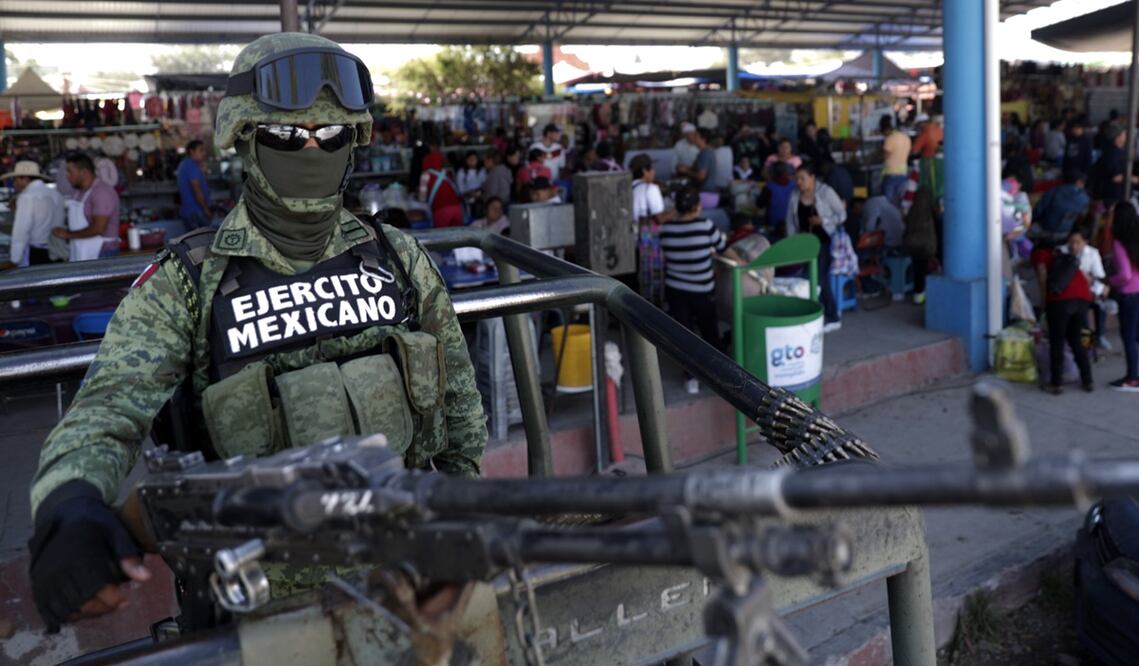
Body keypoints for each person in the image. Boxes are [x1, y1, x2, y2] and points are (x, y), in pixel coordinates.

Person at [27, 32, 487, 635]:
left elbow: (459, 410)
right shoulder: (189, 283)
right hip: (263, 612)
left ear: (355, 142)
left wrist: (459, 529)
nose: (313, 150)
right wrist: (70, 503)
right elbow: (106, 410)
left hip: (407, 584)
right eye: (288, 137)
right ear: (244, 139)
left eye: (332, 135)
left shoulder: (398, 257)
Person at [658, 188, 726, 395]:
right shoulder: (705, 226)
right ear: (698, 206)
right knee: (709, 333)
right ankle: (717, 375)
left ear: (677, 208)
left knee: (684, 335)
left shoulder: (666, 230)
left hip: (676, 290)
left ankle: (691, 378)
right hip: (702, 291)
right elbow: (722, 247)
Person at [1032, 228, 1095, 394]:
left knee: (1057, 341)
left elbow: (1042, 275)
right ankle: (1087, 380)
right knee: (1076, 340)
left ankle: (1056, 383)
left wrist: (1044, 301)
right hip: (1082, 298)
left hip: (1061, 300)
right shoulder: (1062, 255)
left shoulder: (1040, 254)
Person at [786, 164, 847, 331]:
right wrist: (791, 243)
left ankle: (822, 317)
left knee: (815, 280)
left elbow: (842, 215)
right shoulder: (794, 195)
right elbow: (790, 221)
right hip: (804, 244)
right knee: (818, 280)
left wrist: (824, 221)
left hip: (824, 243)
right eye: (797, 179)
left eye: (802, 178)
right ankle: (830, 317)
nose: (799, 182)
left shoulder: (825, 192)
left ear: (812, 177)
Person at [53, 152, 121, 261]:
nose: (67, 176)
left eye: (70, 171)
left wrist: (67, 234)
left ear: (84, 172)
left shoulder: (102, 192)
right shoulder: (78, 192)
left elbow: (98, 228)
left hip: (102, 253)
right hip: (80, 250)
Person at [0, 160, 64, 269]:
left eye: (15, 179)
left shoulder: (26, 197)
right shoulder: (56, 194)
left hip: (37, 253)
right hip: (57, 249)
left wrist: (14, 259)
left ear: (24, 178)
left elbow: (21, 231)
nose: (14, 183)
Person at [1109, 202, 1139, 391]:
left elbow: (1124, 275)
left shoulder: (1119, 244)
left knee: (1129, 336)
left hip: (1129, 294)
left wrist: (1110, 281)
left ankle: (1132, 378)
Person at [1031, 170, 1089, 243]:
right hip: (1063, 233)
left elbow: (1038, 210)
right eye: (1083, 183)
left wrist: (1031, 221)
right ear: (1078, 182)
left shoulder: (1054, 191)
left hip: (1044, 229)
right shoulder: (1085, 199)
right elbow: (1081, 216)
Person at [417, 151, 465, 227]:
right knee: (458, 233)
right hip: (457, 209)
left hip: (441, 210)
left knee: (442, 233)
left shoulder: (425, 175)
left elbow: (422, 198)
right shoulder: (447, 173)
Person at [176, 139, 212, 230]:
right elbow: (197, 190)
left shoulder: (188, 165)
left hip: (192, 212)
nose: (204, 153)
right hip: (195, 213)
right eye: (201, 150)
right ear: (192, 151)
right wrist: (206, 209)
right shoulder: (191, 165)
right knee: (204, 236)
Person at [880, 115, 911, 208]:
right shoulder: (905, 137)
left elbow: (885, 156)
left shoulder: (890, 139)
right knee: (900, 203)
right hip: (903, 173)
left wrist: (878, 155)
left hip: (891, 175)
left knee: (889, 205)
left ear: (886, 130)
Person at [630, 154, 669, 225]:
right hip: (643, 231)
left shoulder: (627, 187)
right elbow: (660, 219)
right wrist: (678, 207)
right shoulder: (651, 188)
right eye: (652, 169)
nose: (654, 172)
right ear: (644, 171)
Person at [758, 161, 796, 234]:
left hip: (772, 225)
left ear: (772, 174)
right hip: (792, 225)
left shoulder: (769, 187)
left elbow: (760, 204)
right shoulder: (794, 186)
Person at [684, 128, 718, 193]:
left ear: (703, 139)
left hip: (705, 191)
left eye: (696, 136)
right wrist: (688, 168)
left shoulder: (704, 154)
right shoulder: (709, 151)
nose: (693, 138)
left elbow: (701, 176)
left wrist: (686, 171)